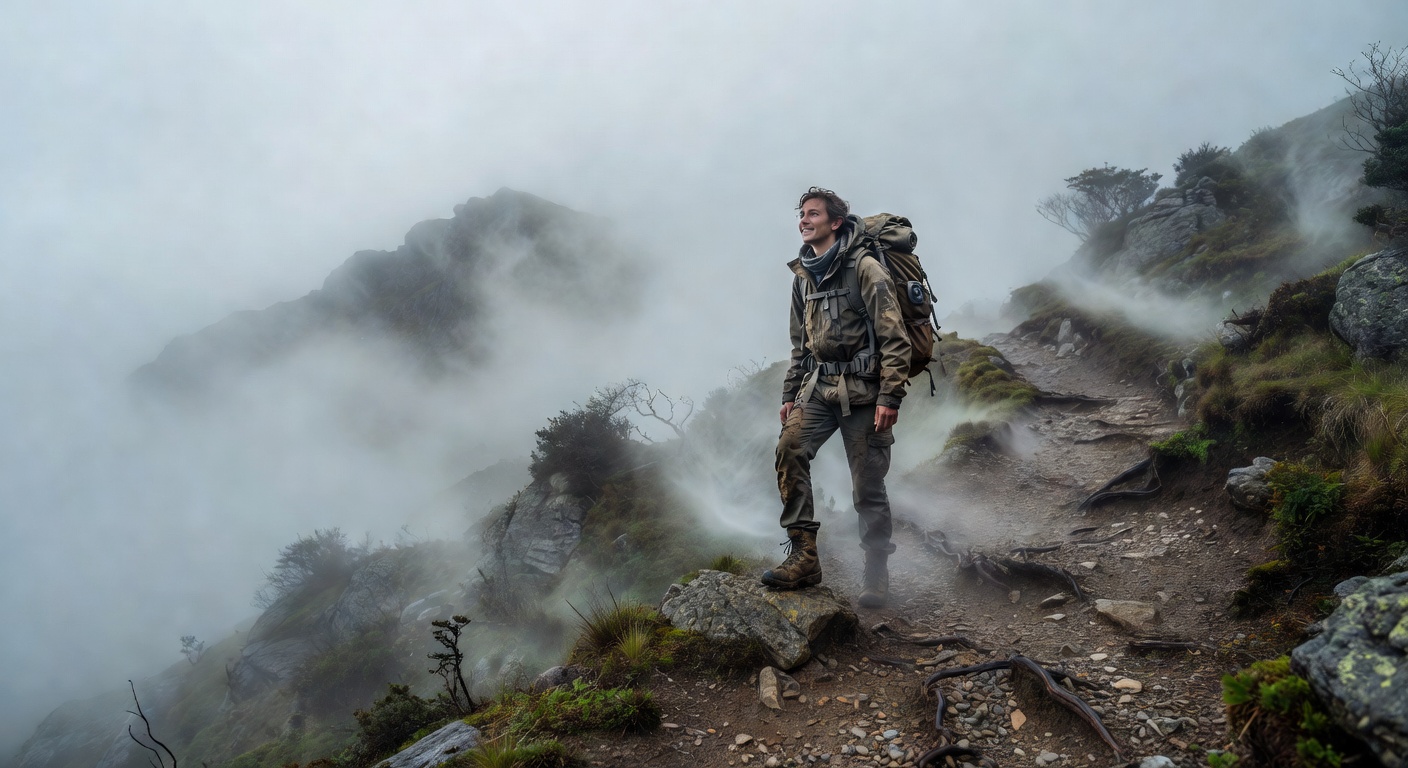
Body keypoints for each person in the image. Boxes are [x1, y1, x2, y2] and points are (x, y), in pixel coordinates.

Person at [762, 187, 912, 609]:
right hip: (820, 390)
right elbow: (800, 345)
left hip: (866, 394)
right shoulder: (802, 277)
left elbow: (895, 339)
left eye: (813, 214)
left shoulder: (866, 269)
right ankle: (805, 556)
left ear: (835, 223)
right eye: (802, 215)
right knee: (789, 448)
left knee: (867, 484)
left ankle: (876, 568)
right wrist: (791, 393)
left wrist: (890, 396)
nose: (804, 220)